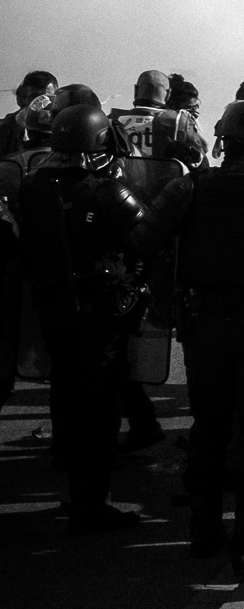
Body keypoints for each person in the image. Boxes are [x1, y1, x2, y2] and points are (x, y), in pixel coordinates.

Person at [131, 101, 244, 572]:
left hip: (206, 324)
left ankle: (204, 530)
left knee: (209, 427)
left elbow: (143, 239)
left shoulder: (188, 186)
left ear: (225, 139)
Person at [16, 104, 147, 533]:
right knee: (100, 407)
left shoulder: (33, 185)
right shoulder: (107, 191)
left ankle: (75, 486)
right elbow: (147, 237)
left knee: (66, 395)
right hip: (99, 314)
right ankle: (92, 502)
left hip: (52, 310)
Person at [109, 69, 209, 453]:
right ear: (166, 96)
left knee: (120, 325)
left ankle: (134, 409)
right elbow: (200, 166)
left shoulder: (113, 119)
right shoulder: (178, 121)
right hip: (170, 231)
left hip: (123, 226)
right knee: (181, 321)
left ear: (136, 91)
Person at [0, 70, 57, 155]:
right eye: (35, 97)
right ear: (23, 97)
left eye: (46, 98)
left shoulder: (62, 125)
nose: (41, 103)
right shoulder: (6, 127)